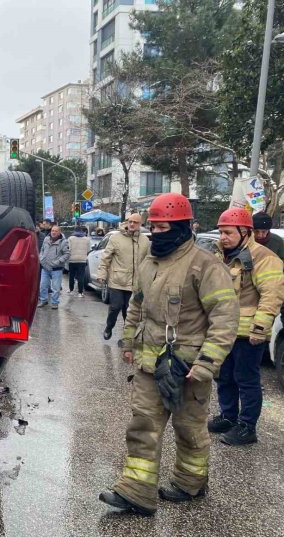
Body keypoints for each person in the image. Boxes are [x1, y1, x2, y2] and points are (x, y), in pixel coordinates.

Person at [100, 193, 239, 516]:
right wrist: (128, 343)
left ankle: (191, 482)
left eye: (163, 228)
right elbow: (137, 304)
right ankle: (136, 491)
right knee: (143, 424)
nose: (156, 234)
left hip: (188, 367)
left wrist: (207, 363)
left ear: (181, 227)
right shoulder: (150, 260)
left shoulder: (205, 265)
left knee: (189, 428)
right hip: (150, 366)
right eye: (154, 227)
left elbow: (225, 318)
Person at [207, 208, 283, 446]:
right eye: (221, 232)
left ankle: (247, 427)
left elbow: (271, 294)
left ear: (244, 231)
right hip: (224, 330)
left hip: (248, 333)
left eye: (228, 232)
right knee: (224, 376)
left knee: (246, 379)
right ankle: (228, 417)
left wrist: (260, 329)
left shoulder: (263, 257)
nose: (223, 237)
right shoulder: (221, 254)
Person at [97, 213, 149, 340]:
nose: (131, 224)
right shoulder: (116, 238)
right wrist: (102, 274)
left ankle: (127, 337)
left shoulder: (145, 240)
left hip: (136, 283)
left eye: (135, 222)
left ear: (140, 224)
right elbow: (106, 258)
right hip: (117, 281)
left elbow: (148, 261)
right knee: (115, 307)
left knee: (130, 312)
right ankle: (109, 327)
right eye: (130, 221)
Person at [38, 225, 69, 309]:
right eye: (52, 230)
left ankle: (55, 302)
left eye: (56, 231)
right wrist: (41, 258)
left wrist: (58, 262)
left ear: (59, 232)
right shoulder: (46, 239)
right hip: (45, 267)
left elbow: (67, 254)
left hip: (56, 269)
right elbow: (42, 250)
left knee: (55, 287)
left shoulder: (63, 242)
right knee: (42, 286)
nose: (53, 232)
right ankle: (43, 300)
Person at [67, 226, 90, 297]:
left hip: (72, 260)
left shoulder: (70, 238)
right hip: (82, 260)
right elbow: (88, 250)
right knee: (81, 276)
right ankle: (80, 292)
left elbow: (68, 249)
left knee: (71, 276)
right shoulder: (87, 239)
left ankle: (71, 290)